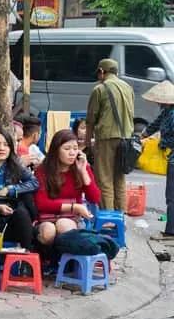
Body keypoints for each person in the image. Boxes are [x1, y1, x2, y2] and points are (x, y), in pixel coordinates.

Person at [34, 130, 101, 247]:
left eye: (75, 148)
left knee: (64, 225)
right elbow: (41, 203)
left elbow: (95, 198)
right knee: (48, 232)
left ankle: (65, 258)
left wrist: (83, 172)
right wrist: (75, 207)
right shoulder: (42, 170)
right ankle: (47, 257)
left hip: (71, 218)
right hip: (45, 218)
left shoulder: (82, 167)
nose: (72, 153)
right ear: (56, 150)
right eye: (67, 149)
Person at [87, 58, 135, 211]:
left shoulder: (99, 89)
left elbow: (91, 119)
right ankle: (120, 215)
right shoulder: (128, 88)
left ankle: (108, 218)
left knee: (104, 179)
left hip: (106, 138)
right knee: (119, 179)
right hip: (126, 139)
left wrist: (88, 142)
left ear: (102, 72)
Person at [141, 81, 174, 237]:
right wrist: (143, 135)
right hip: (171, 157)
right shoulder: (167, 111)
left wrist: (161, 143)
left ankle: (171, 231)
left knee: (171, 196)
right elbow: (155, 124)